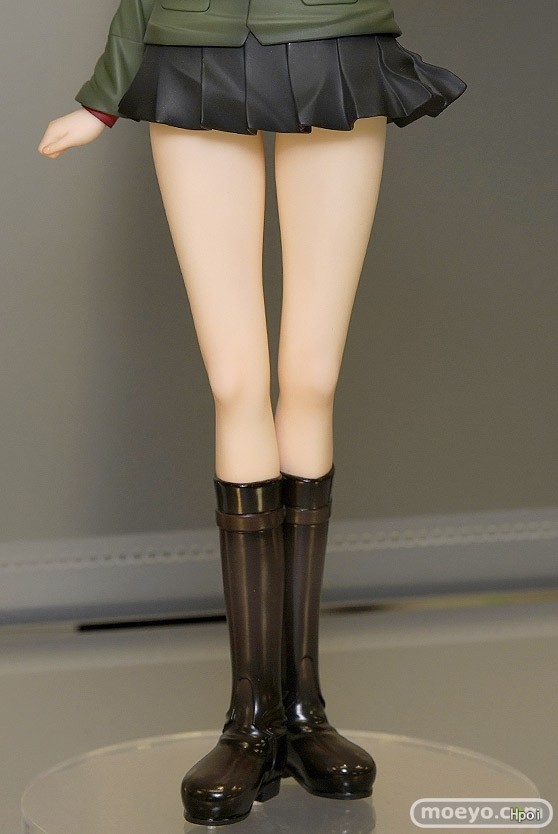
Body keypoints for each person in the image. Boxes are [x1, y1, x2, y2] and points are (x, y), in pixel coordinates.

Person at [38, 0, 466, 825]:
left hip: (333, 43)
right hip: (190, 50)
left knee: (311, 377)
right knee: (236, 383)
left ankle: (304, 708)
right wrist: (102, 98)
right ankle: (251, 716)